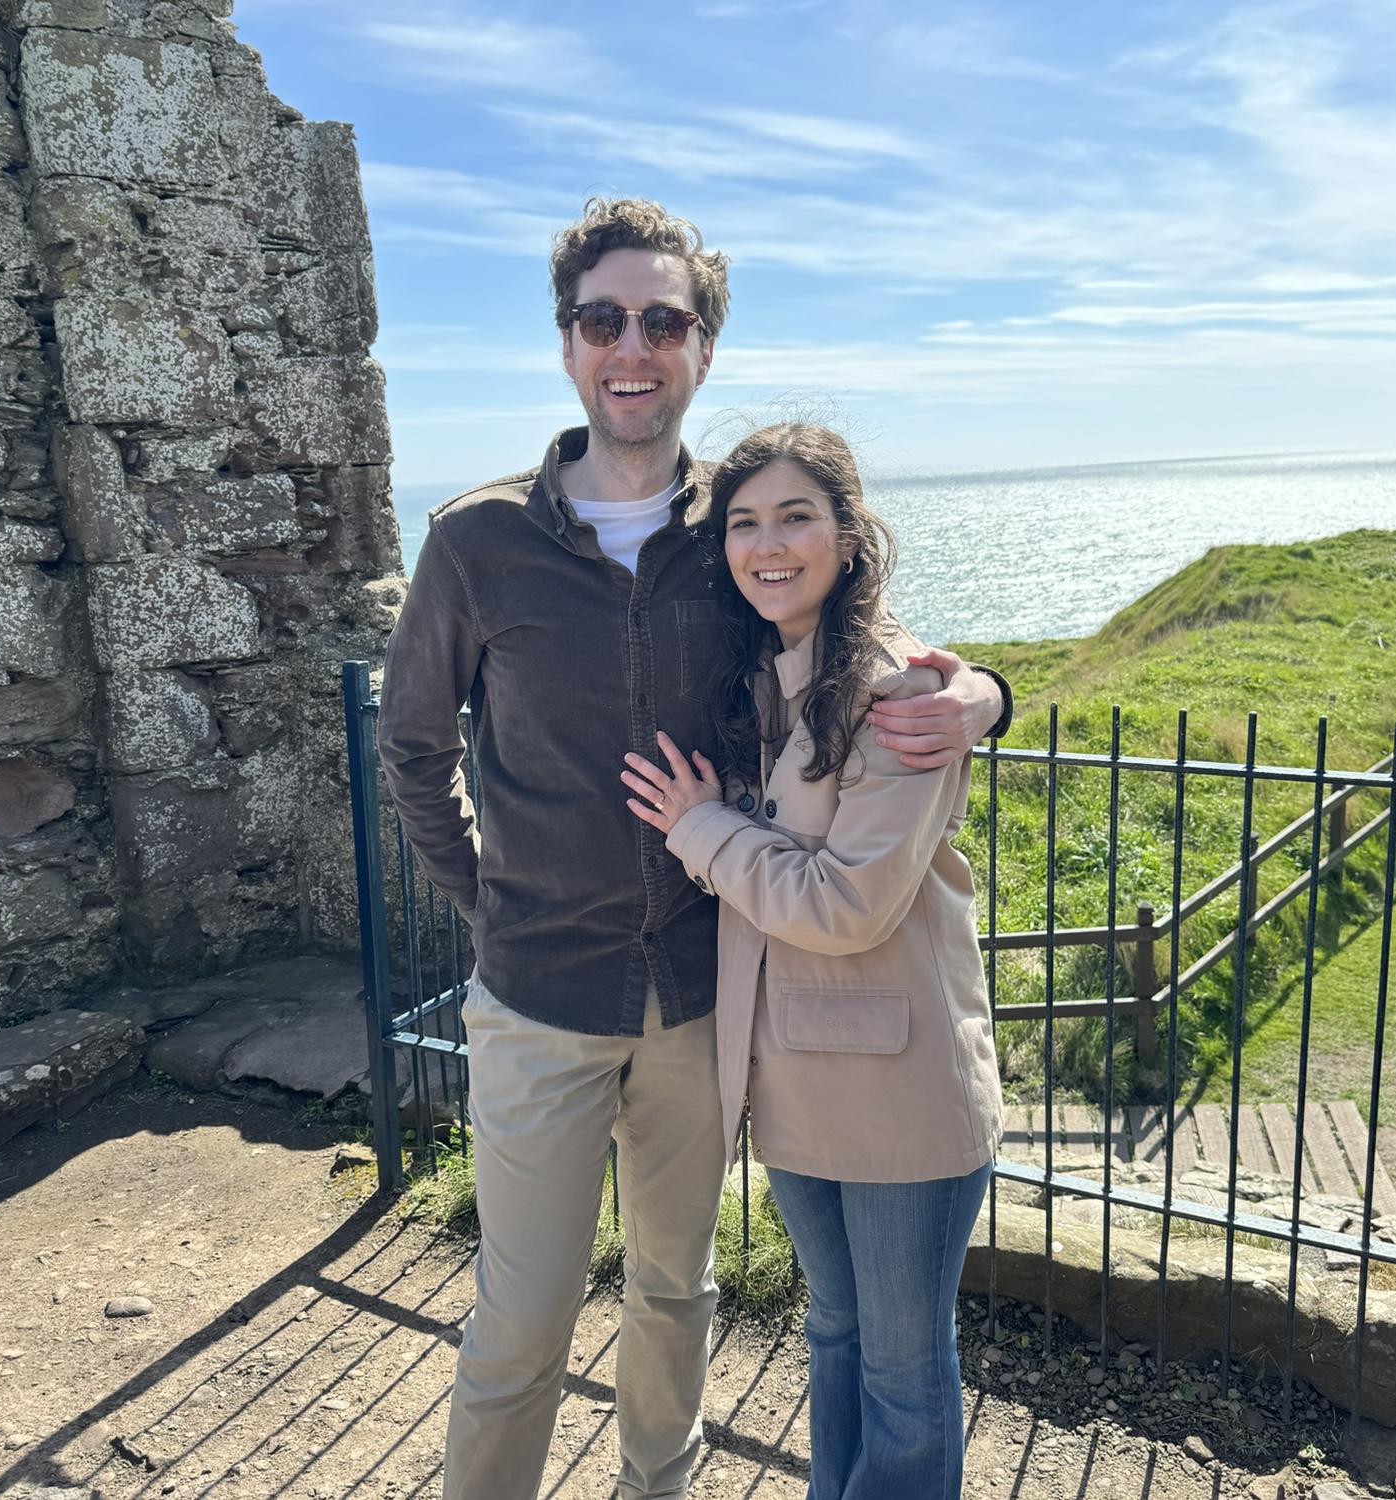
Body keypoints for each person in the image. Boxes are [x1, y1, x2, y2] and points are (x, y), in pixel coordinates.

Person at [376, 199, 1008, 1500]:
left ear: (702, 348)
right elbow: (410, 749)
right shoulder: (474, 541)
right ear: (567, 345)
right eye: (604, 318)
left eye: (664, 320)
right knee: (521, 1322)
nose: (633, 345)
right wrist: (488, 904)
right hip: (539, 1001)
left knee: (677, 1294)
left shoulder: (739, 528)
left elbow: (868, 637)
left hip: (701, 1006)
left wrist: (987, 688)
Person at [623, 423, 1008, 1500]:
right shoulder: (763, 679)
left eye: (796, 516)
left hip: (900, 1095)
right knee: (833, 1333)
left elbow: (847, 906)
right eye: (744, 522)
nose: (767, 543)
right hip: (790, 1083)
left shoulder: (895, 694)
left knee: (900, 1366)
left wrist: (699, 832)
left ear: (846, 534)